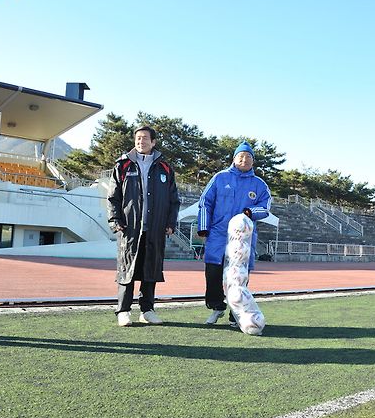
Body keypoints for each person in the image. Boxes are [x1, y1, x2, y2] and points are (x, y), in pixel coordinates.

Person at [107, 126, 179, 326]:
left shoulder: (164, 168)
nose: (141, 141)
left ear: (153, 142)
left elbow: (174, 199)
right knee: (127, 270)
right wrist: (115, 220)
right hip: (129, 228)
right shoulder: (123, 165)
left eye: (145, 138)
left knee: (151, 270)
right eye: (138, 138)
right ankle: (123, 311)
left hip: (155, 228)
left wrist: (170, 223)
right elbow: (113, 197)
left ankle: (147, 310)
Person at [197, 141, 272, 326]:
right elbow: (205, 202)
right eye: (241, 156)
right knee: (213, 272)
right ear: (234, 158)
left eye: (248, 157)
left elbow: (265, 207)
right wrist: (204, 227)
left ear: (253, 161)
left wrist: (249, 212)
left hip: (242, 238)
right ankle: (216, 306)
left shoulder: (259, 184)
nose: (244, 160)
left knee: (239, 276)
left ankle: (236, 314)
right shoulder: (220, 178)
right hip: (218, 234)